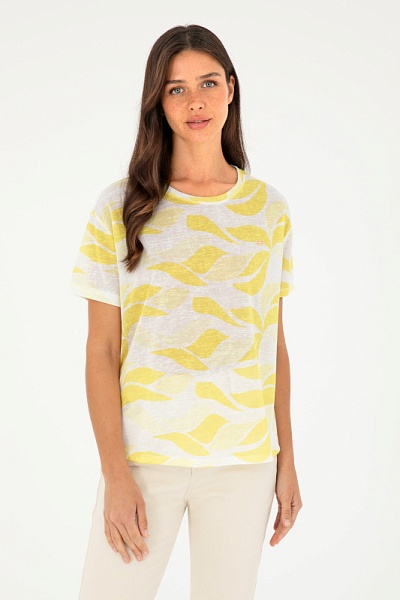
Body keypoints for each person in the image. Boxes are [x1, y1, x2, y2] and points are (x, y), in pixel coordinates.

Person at [69, 23, 302, 600]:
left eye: (208, 83)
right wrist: (115, 475)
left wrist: (287, 461)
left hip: (244, 461)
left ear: (231, 89)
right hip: (145, 460)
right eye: (176, 88)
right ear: (158, 100)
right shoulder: (121, 206)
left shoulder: (269, 210)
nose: (195, 101)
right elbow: (101, 351)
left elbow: (272, 343)